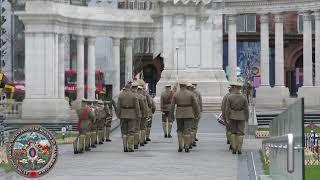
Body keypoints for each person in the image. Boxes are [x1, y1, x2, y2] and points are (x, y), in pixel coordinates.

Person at [170, 80, 200, 153]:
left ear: (180, 85)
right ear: (186, 86)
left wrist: (171, 115)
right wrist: (197, 113)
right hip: (189, 113)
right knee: (187, 129)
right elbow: (195, 105)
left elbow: (172, 106)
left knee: (179, 129)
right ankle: (186, 147)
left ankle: (180, 146)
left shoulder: (176, 94)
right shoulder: (190, 94)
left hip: (179, 113)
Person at [225, 82, 249, 154]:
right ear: (240, 88)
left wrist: (227, 117)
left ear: (234, 88)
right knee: (240, 133)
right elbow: (246, 109)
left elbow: (227, 109)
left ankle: (234, 148)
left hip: (232, 116)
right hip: (241, 116)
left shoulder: (230, 97)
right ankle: (239, 149)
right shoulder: (244, 97)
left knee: (233, 132)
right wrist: (247, 118)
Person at [117, 82, 141, 152]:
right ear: (130, 87)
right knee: (131, 131)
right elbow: (137, 107)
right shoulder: (133, 95)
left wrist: (118, 114)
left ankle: (125, 147)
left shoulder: (121, 95)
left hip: (123, 114)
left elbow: (118, 106)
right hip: (132, 114)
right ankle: (130, 147)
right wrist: (138, 114)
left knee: (124, 132)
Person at [221, 85, 232, 150]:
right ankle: (237, 147)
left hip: (228, 115)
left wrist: (224, 114)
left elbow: (223, 106)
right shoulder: (242, 96)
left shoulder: (226, 96)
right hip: (239, 116)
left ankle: (229, 140)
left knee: (229, 129)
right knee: (238, 131)